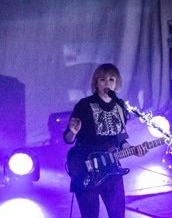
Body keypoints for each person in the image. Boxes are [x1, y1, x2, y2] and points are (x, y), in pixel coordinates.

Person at [63, 63, 148, 218]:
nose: (107, 83)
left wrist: (135, 150)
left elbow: (121, 139)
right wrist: (73, 133)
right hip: (87, 167)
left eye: (111, 80)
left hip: (111, 168)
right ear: (96, 83)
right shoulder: (85, 105)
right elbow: (68, 138)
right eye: (102, 79)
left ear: (117, 84)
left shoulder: (121, 107)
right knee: (90, 214)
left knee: (117, 214)